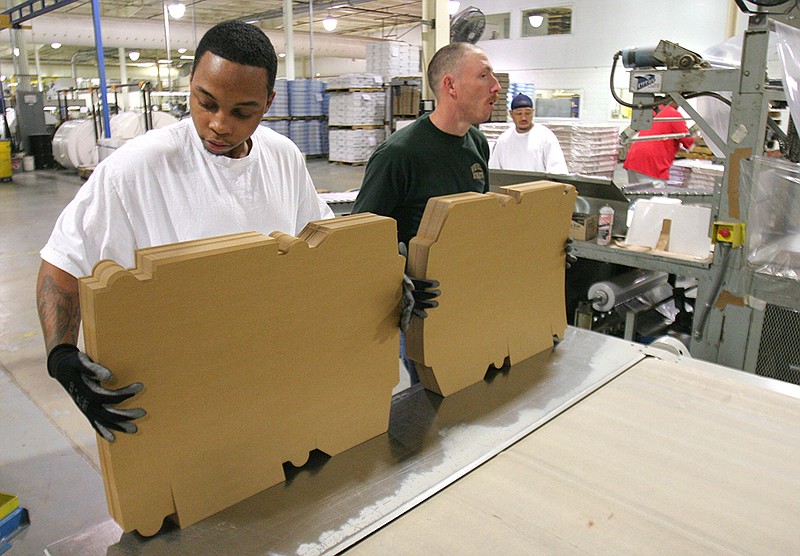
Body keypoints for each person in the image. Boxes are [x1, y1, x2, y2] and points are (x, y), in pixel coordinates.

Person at [36, 20, 333, 442]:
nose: (218, 124)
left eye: (241, 112)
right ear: (191, 82)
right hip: (179, 382)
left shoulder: (283, 157)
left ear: (267, 103)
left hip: (271, 368)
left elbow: (322, 240)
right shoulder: (137, 168)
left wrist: (384, 279)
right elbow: (63, 261)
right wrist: (61, 357)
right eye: (205, 102)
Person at [488, 93, 568, 174]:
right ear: (511, 114)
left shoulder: (545, 136)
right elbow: (495, 171)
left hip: (538, 186)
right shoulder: (503, 140)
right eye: (519, 113)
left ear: (533, 112)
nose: (523, 118)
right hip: (510, 186)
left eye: (527, 113)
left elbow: (557, 171)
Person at [623, 101, 694, 183]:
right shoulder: (673, 114)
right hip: (651, 163)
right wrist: (698, 140)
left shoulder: (653, 111)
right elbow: (688, 141)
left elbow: (659, 134)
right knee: (653, 194)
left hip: (634, 158)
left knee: (635, 193)